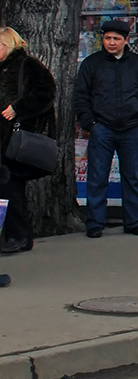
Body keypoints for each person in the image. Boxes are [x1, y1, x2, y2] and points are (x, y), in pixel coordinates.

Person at [75, 19, 138, 238]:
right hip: (102, 127)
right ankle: (94, 223)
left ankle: (133, 221)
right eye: (107, 38)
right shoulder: (92, 64)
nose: (111, 43)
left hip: (132, 128)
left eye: (116, 39)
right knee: (97, 176)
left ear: (125, 41)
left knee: (131, 176)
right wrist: (90, 123)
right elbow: (81, 95)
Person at [0, 28, 56, 254]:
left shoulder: (27, 65)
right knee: (8, 189)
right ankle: (15, 235)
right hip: (5, 140)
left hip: (16, 139)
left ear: (7, 45)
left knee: (10, 188)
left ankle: (19, 236)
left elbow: (47, 92)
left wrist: (17, 109)